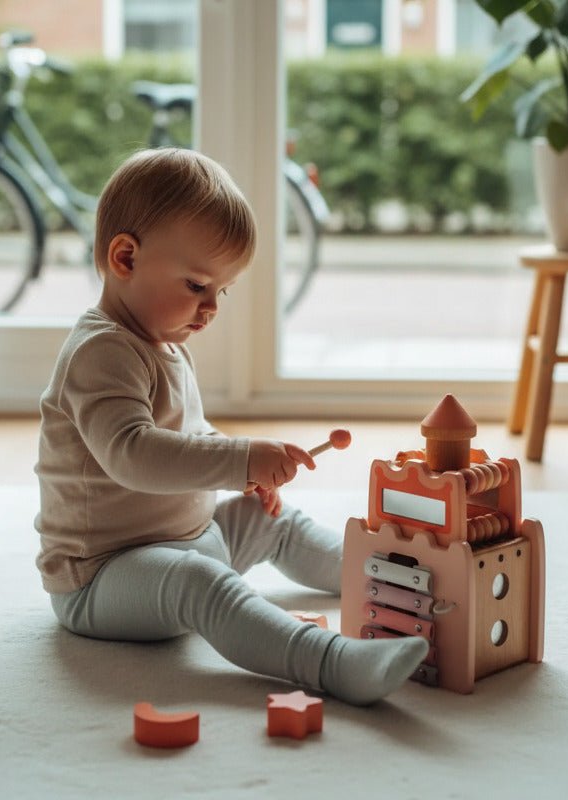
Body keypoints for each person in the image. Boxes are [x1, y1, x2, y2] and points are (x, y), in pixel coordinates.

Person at [34, 148, 427, 706]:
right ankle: (331, 664)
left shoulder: (160, 343)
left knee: (273, 521)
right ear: (124, 258)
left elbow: (189, 437)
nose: (212, 306)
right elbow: (133, 455)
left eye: (221, 290)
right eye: (197, 285)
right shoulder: (100, 353)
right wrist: (240, 458)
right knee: (201, 583)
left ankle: (389, 581)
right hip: (103, 579)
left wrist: (245, 472)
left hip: (188, 540)